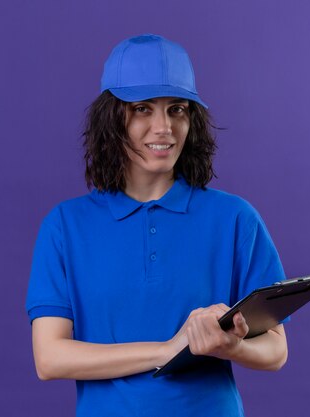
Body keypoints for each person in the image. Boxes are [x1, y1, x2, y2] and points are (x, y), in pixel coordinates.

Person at [26, 34, 288, 417]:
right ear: (112, 119)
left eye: (177, 109)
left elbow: (276, 349)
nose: (163, 127)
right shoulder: (65, 226)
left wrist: (232, 347)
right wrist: (170, 349)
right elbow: (50, 357)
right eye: (143, 109)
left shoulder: (234, 219)